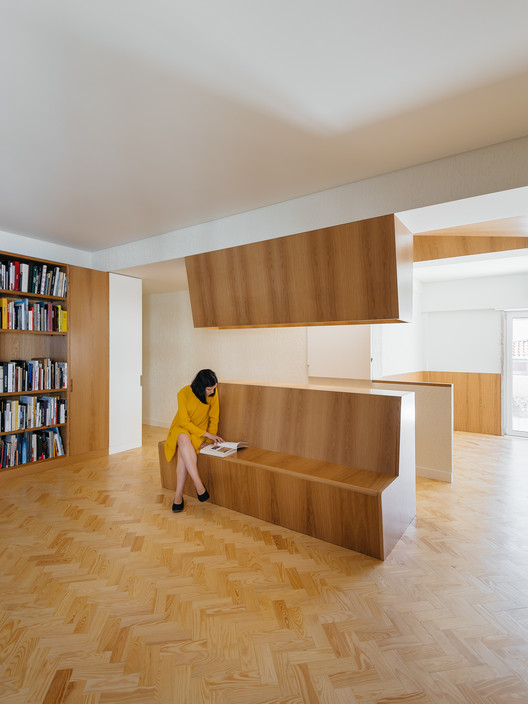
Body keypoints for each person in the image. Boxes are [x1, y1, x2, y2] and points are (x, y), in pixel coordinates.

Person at [164, 369, 224, 513]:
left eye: (214, 388)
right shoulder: (183, 393)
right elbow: (184, 422)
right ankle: (199, 485)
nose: (212, 392)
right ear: (200, 386)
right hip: (181, 428)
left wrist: (210, 439)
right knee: (183, 439)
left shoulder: (213, 394)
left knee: (183, 448)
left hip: (199, 433)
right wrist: (207, 435)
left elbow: (214, 418)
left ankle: (178, 496)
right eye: (209, 389)